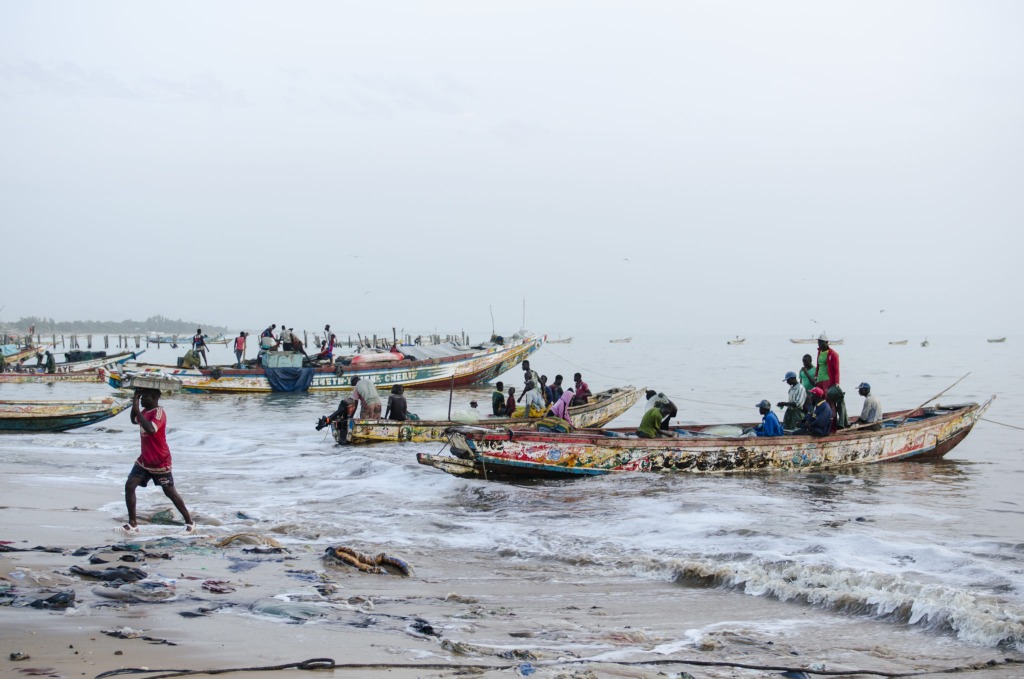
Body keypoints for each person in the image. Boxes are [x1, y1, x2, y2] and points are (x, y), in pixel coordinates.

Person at [122, 388, 194, 533]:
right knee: (130, 486)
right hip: (144, 460)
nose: (142, 400)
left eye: (144, 397)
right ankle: (132, 524)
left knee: (170, 492)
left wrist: (137, 409)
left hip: (160, 461)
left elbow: (151, 429)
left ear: (154, 397)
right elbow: (133, 420)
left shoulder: (159, 413)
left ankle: (190, 522)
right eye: (140, 397)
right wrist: (135, 405)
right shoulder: (144, 412)